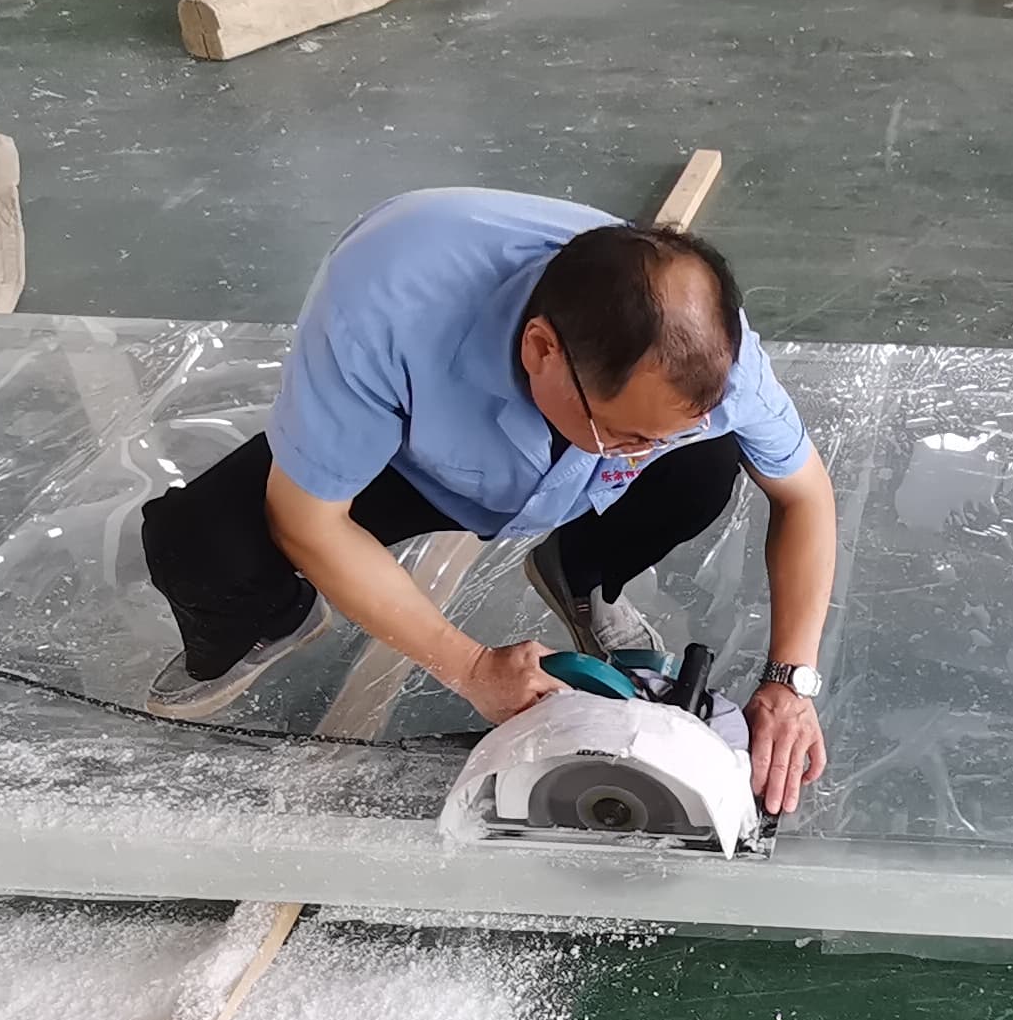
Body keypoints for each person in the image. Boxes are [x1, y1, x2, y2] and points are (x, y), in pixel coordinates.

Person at [138, 188, 833, 815]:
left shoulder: (709, 354)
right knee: (200, 548)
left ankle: (582, 574)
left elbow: (805, 495)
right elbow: (308, 520)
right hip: (408, 456)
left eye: (656, 437)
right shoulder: (384, 307)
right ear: (541, 350)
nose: (639, 451)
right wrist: (469, 667)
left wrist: (789, 682)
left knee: (706, 466)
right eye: (623, 435)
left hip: (565, 469)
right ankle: (277, 617)